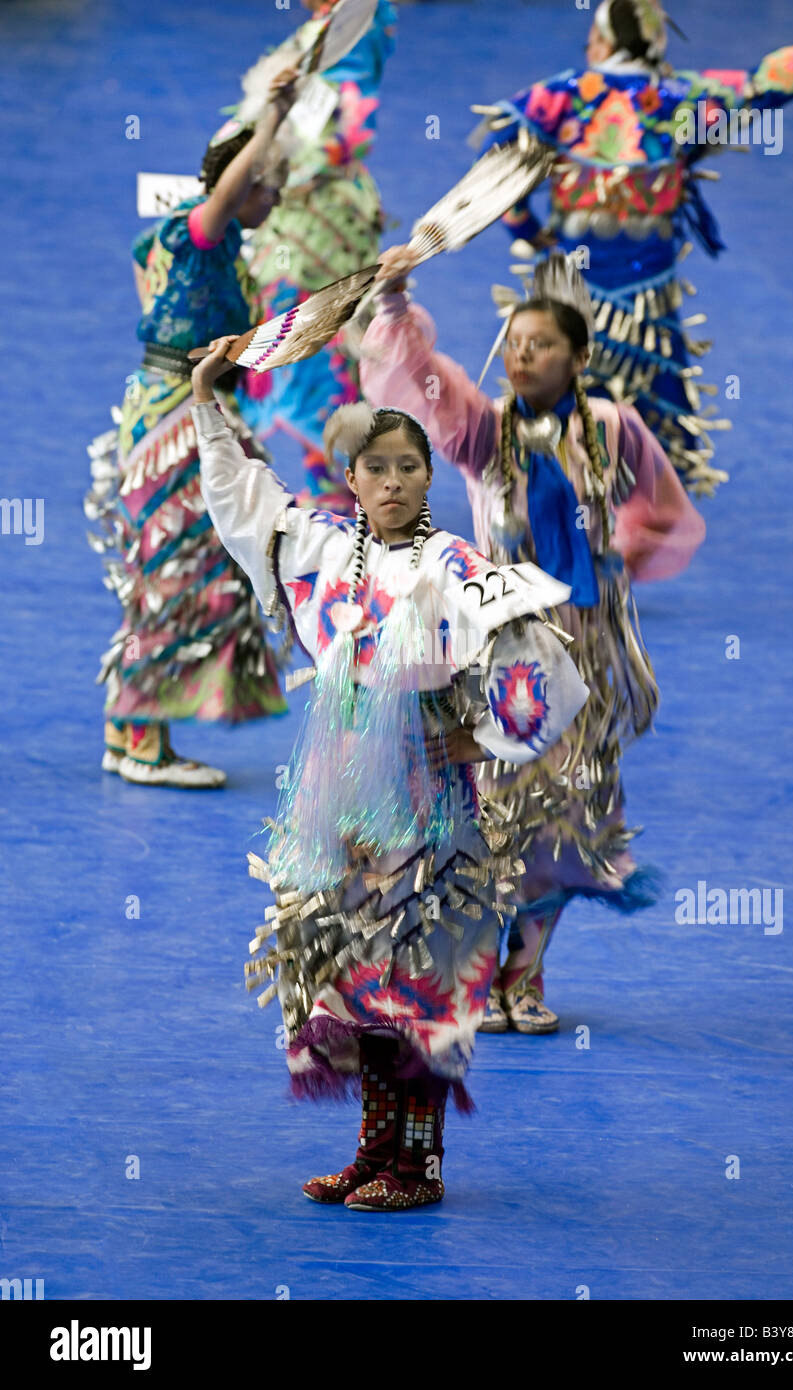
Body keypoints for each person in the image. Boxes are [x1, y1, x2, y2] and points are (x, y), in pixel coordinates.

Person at [190, 335, 589, 1210]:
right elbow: (242, 497)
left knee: (416, 982)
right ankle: (375, 1155)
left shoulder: (456, 569)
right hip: (342, 809)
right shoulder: (324, 550)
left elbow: (550, 674)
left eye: (412, 467)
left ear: (428, 480)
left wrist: (481, 743)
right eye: (380, 468)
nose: (398, 481)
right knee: (357, 980)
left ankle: (421, 1167)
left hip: (427, 813)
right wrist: (208, 401)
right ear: (356, 482)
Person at [360, 245, 705, 1033]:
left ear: (579, 356)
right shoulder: (484, 433)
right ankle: (479, 971)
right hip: (507, 657)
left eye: (540, 344)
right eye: (513, 343)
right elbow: (421, 382)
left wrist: (621, 552)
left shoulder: (614, 431)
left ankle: (527, 972)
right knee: (494, 815)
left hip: (583, 652)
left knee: (563, 818)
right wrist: (392, 306)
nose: (521, 355)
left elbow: (664, 510)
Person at [471, 1, 793, 495]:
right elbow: (766, 85)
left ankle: (549, 476)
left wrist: (528, 230)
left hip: (574, 281)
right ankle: (653, 488)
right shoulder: (682, 100)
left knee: (558, 381)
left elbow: (501, 161)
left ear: (603, 42)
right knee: (654, 386)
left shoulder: (562, 95)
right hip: (647, 287)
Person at [85, 72, 298, 787]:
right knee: (176, 569)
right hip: (174, 417)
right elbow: (226, 197)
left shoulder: (214, 252)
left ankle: (130, 728)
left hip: (182, 406)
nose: (275, 198)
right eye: (269, 186)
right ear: (242, 186)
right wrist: (271, 120)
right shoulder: (201, 234)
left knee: (170, 567)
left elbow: (150, 264)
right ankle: (142, 744)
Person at [233, 0, 398, 513]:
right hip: (288, 208)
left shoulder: (353, 26)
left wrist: (292, 168)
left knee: (318, 336)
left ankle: (339, 481)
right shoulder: (318, 30)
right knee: (291, 334)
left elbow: (353, 125)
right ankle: (327, 473)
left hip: (318, 215)